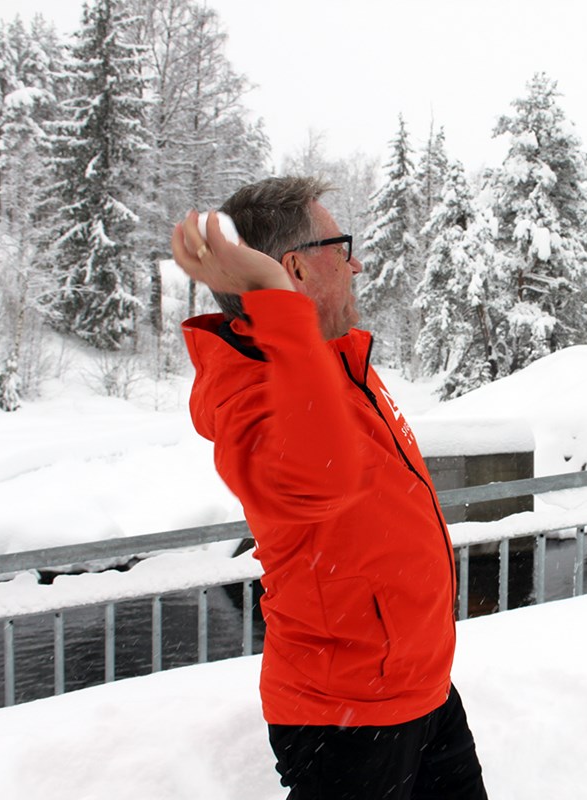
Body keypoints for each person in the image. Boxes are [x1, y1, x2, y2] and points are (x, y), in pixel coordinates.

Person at [170, 176, 488, 800]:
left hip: (420, 690)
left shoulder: (336, 365)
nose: (357, 263)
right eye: (341, 247)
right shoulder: (252, 397)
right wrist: (269, 295)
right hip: (344, 714)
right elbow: (325, 479)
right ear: (294, 269)